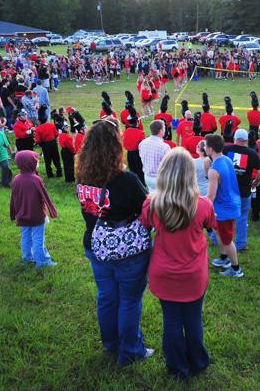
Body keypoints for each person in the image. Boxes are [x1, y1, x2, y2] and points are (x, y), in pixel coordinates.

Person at [75, 117, 153, 367]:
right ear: (116, 147)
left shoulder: (82, 177)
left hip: (94, 246)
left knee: (107, 296)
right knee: (129, 300)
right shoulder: (127, 180)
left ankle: (112, 345)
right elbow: (148, 209)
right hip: (127, 251)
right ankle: (130, 350)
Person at [140, 148, 213, 379]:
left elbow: (144, 225)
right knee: (193, 319)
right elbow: (211, 226)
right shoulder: (203, 205)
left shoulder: (152, 203)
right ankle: (198, 361)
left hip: (164, 273)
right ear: (191, 174)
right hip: (194, 274)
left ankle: (177, 368)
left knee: (171, 321)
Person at [10, 150, 58, 268]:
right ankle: (42, 262)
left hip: (21, 215)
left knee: (25, 236)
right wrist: (52, 211)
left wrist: (13, 213)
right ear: (29, 163)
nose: (38, 163)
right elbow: (45, 196)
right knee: (38, 239)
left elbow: (13, 198)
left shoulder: (16, 179)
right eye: (36, 161)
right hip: (36, 215)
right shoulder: (36, 179)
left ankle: (27, 257)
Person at [204, 134, 244, 278]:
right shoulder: (226, 159)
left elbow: (211, 196)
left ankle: (236, 269)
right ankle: (223, 258)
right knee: (219, 232)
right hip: (232, 204)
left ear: (210, 149)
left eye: (205, 145)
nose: (203, 147)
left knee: (227, 240)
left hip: (224, 209)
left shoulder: (213, 170)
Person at [224, 129, 260, 252]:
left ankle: (219, 240)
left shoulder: (226, 150)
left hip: (227, 190)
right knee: (242, 217)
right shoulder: (252, 153)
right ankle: (240, 244)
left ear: (234, 138)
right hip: (244, 191)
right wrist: (256, 182)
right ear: (246, 141)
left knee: (224, 216)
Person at [139, 119, 171, 191]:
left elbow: (142, 157)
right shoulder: (164, 147)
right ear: (161, 131)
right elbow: (169, 165)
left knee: (152, 196)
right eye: (164, 128)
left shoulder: (142, 143)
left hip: (147, 177)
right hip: (160, 178)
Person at [34, 106, 62, 179]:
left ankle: (50, 174)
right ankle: (59, 172)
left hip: (45, 145)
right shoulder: (51, 125)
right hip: (53, 143)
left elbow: (38, 140)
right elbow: (56, 134)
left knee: (47, 160)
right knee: (56, 159)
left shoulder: (38, 128)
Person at [122, 107, 146, 184]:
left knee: (132, 170)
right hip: (137, 154)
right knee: (140, 171)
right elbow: (143, 145)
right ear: (137, 122)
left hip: (129, 154)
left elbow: (124, 143)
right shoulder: (140, 133)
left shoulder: (125, 132)